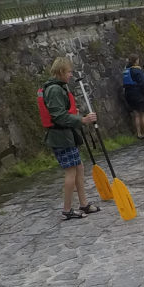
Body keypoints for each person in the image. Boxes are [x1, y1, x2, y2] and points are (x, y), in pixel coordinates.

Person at [38, 57, 99, 220]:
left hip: (66, 136)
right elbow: (58, 116)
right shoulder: (54, 90)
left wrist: (75, 115)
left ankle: (84, 204)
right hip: (60, 138)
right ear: (60, 72)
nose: (71, 75)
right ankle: (67, 209)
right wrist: (82, 120)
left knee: (79, 168)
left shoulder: (59, 87)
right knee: (71, 171)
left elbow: (63, 112)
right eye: (69, 72)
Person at [121, 54, 144, 138]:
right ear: (135, 61)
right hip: (137, 93)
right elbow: (142, 83)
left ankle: (139, 134)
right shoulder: (137, 71)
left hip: (128, 94)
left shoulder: (126, 70)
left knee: (136, 114)